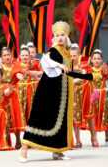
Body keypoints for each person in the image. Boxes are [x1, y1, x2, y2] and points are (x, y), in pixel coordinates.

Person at [19, 21, 93, 162]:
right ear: (54, 37)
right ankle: (24, 150)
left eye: (62, 35)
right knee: (40, 118)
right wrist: (59, 64)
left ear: (67, 37)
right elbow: (46, 62)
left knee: (61, 121)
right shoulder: (53, 51)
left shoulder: (66, 52)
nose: (60, 38)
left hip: (62, 93)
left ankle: (58, 151)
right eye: (57, 35)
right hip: (48, 92)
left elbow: (67, 73)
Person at [82, 49, 108, 147]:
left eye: (98, 59)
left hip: (102, 95)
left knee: (104, 114)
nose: (96, 60)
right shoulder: (88, 69)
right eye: (94, 59)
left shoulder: (104, 69)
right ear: (91, 60)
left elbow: (107, 73)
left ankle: (107, 134)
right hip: (91, 95)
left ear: (101, 60)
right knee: (92, 116)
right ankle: (94, 136)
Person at [69, 43, 86, 148]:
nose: (72, 57)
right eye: (70, 55)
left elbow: (85, 77)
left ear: (78, 55)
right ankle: (69, 141)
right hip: (68, 94)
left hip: (78, 95)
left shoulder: (82, 66)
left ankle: (78, 140)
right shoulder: (67, 66)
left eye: (74, 55)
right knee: (68, 119)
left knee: (76, 119)